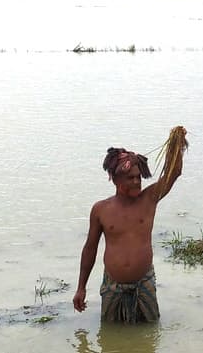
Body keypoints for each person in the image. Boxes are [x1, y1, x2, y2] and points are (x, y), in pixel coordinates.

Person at [73, 129, 186, 323]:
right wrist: (81, 287)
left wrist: (177, 143)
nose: (136, 182)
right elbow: (90, 248)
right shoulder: (101, 210)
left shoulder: (149, 199)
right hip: (112, 286)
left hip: (144, 283)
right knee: (110, 338)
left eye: (138, 177)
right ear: (115, 179)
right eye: (130, 178)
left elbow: (173, 173)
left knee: (149, 336)